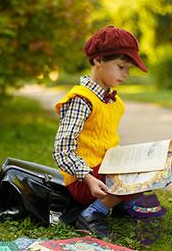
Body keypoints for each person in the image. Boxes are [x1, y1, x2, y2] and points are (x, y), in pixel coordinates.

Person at [53, 26, 162, 238]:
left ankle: (118, 203)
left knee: (154, 164)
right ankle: (93, 212)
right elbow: (62, 150)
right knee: (139, 174)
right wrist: (87, 178)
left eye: (128, 68)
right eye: (121, 67)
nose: (126, 74)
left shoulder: (112, 99)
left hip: (105, 169)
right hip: (85, 180)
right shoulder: (81, 100)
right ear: (98, 60)